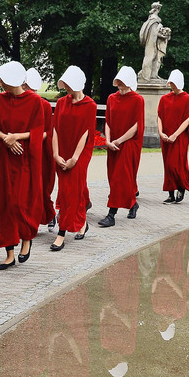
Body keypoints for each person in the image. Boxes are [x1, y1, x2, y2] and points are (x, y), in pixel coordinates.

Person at [0, 60, 44, 268]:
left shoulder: (34, 101)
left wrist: (17, 137)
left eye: (3, 79)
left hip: (24, 159)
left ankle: (27, 237)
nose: (1, 83)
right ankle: (9, 252)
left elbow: (38, 131)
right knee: (4, 204)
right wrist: (7, 139)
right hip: (3, 158)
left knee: (20, 202)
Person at [51, 65, 95, 250]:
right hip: (62, 151)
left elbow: (86, 133)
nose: (66, 88)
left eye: (69, 84)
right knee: (70, 189)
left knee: (70, 190)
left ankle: (62, 233)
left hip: (80, 153)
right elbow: (54, 129)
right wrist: (55, 154)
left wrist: (75, 158)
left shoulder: (90, 105)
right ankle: (82, 222)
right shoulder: (61, 103)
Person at [98, 66, 144, 227]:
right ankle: (132, 203)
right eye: (119, 82)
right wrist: (108, 140)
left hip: (129, 144)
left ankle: (111, 215)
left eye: (123, 82)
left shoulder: (138, 100)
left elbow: (137, 126)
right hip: (113, 143)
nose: (120, 85)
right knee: (115, 177)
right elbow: (108, 121)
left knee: (120, 177)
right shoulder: (112, 98)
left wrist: (119, 141)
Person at [24, 67, 56, 229]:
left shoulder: (43, 105)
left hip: (41, 151)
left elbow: (46, 133)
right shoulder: (22, 102)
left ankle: (49, 214)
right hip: (25, 150)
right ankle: (30, 219)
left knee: (42, 186)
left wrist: (28, 137)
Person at [157, 69, 189, 204]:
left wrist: (175, 135)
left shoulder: (188, 99)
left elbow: (188, 119)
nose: (171, 84)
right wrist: (161, 132)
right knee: (167, 164)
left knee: (176, 163)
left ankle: (181, 186)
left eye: (173, 82)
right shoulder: (164, 98)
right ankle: (171, 193)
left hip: (179, 137)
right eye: (170, 82)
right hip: (166, 136)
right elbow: (160, 116)